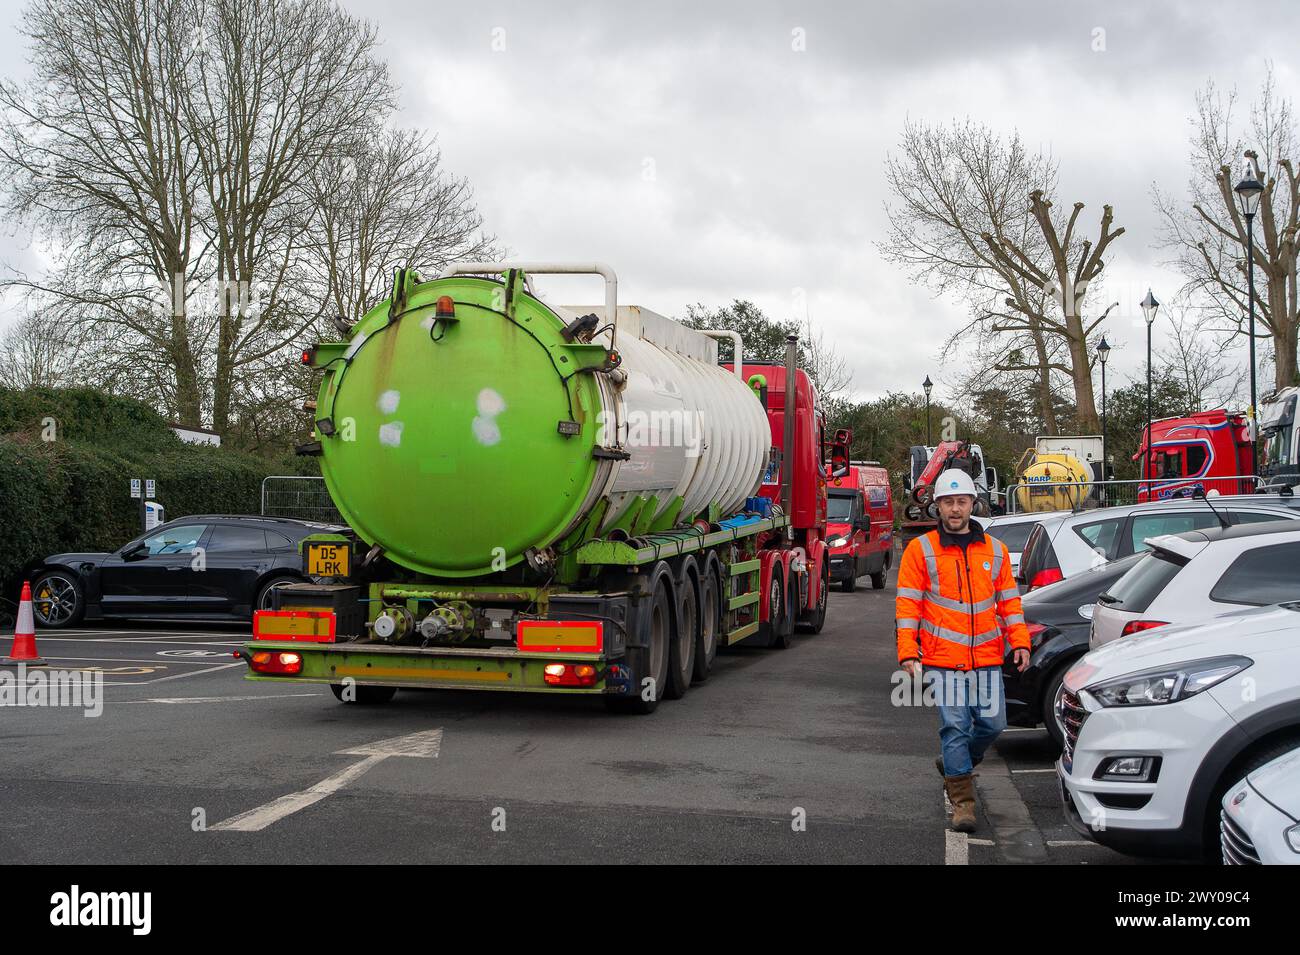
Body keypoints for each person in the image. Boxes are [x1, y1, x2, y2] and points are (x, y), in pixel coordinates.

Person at [895, 469, 1030, 832]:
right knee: (955, 727)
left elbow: (1010, 603)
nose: (955, 509)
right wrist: (909, 652)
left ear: (973, 503)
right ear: (937, 506)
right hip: (942, 659)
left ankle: (956, 764)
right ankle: (963, 803)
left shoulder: (996, 552)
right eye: (948, 502)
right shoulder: (920, 551)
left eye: (961, 501)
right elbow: (908, 605)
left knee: (993, 723)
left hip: (987, 657)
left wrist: (1019, 640)